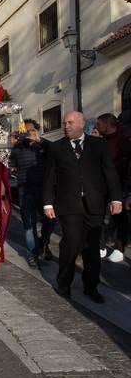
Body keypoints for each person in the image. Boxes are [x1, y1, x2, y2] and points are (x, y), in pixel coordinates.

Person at [43, 110, 122, 302]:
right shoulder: (56, 148)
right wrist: (47, 203)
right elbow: (49, 178)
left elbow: (109, 173)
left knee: (92, 248)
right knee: (71, 244)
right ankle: (64, 284)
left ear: (81, 123)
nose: (66, 126)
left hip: (94, 205)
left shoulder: (99, 145)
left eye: (70, 122)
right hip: (69, 206)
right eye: (64, 123)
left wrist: (116, 199)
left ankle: (91, 287)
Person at [10, 119, 54, 267]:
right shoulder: (17, 148)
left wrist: (39, 141)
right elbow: (11, 163)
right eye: (26, 131)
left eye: (32, 131)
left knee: (50, 220)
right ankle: (33, 254)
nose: (29, 133)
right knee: (29, 224)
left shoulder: (45, 146)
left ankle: (44, 242)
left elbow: (56, 152)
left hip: (44, 189)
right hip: (25, 190)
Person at [96, 112, 131, 262]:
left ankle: (120, 246)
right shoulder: (103, 140)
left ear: (106, 124)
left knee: (120, 217)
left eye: (99, 124)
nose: (96, 127)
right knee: (98, 214)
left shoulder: (124, 138)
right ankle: (101, 245)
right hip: (104, 184)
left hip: (122, 184)